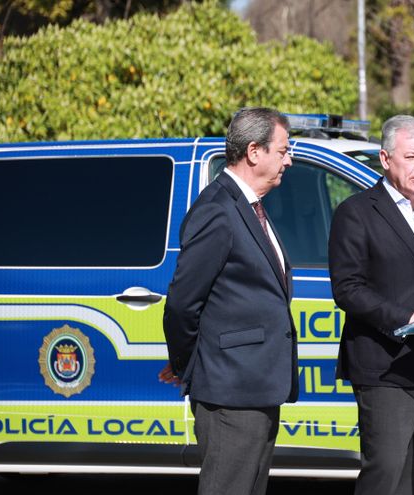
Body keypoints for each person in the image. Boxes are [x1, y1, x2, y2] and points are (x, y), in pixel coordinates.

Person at [328, 114, 414, 495]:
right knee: (386, 475)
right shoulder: (356, 212)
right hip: (384, 366)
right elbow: (347, 288)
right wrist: (407, 317)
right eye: (412, 157)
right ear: (386, 160)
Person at [162, 107, 297, 494]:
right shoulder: (217, 210)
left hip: (257, 387)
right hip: (229, 391)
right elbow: (183, 304)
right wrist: (190, 364)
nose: (289, 159)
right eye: (283, 150)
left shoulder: (251, 207)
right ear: (254, 152)